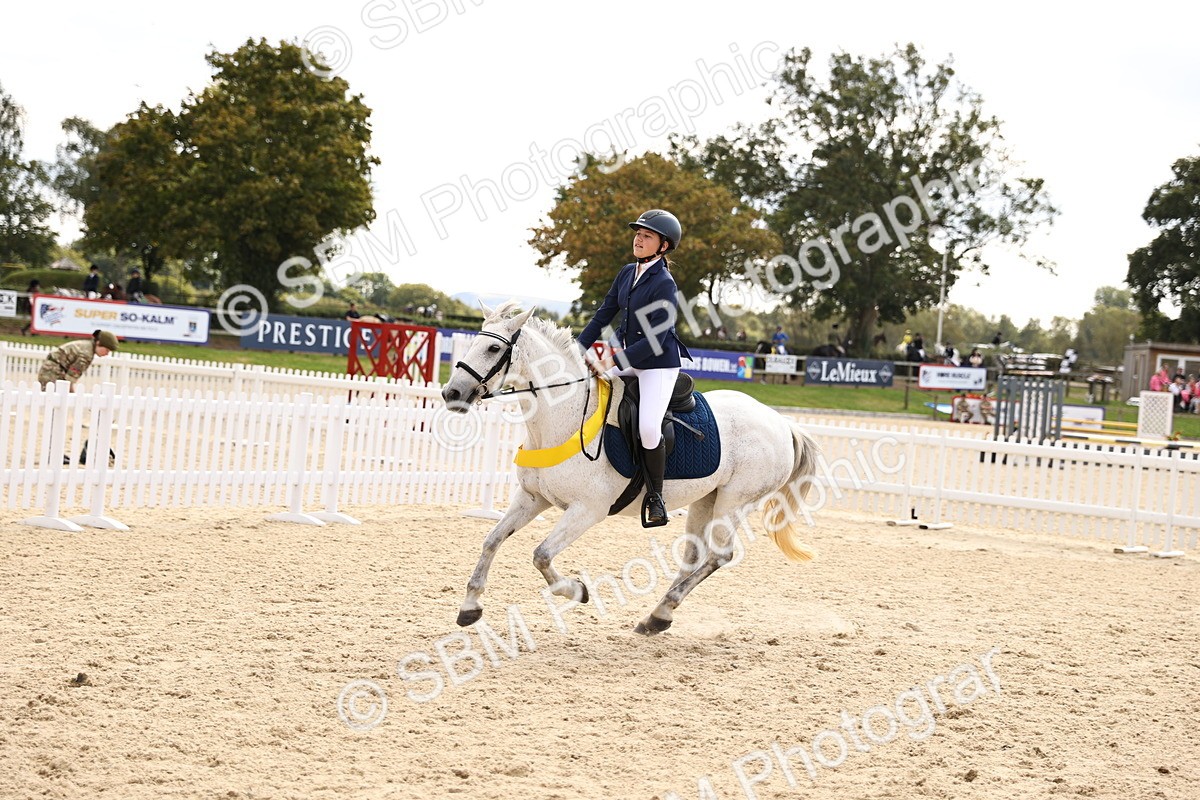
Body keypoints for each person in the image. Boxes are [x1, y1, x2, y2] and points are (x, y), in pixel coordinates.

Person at [578, 209, 691, 528]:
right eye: (638, 234)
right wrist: (576, 349)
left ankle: (656, 497)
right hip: (627, 358)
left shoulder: (665, 283)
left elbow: (656, 338)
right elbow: (604, 314)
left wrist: (612, 360)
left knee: (648, 428)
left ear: (663, 246)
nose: (638, 239)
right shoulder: (627, 272)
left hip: (657, 365)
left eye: (647, 236)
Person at [38, 329, 119, 392]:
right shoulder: (86, 355)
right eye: (106, 350)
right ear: (98, 343)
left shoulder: (86, 346)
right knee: (52, 402)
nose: (107, 353)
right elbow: (69, 380)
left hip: (50, 369)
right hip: (53, 373)